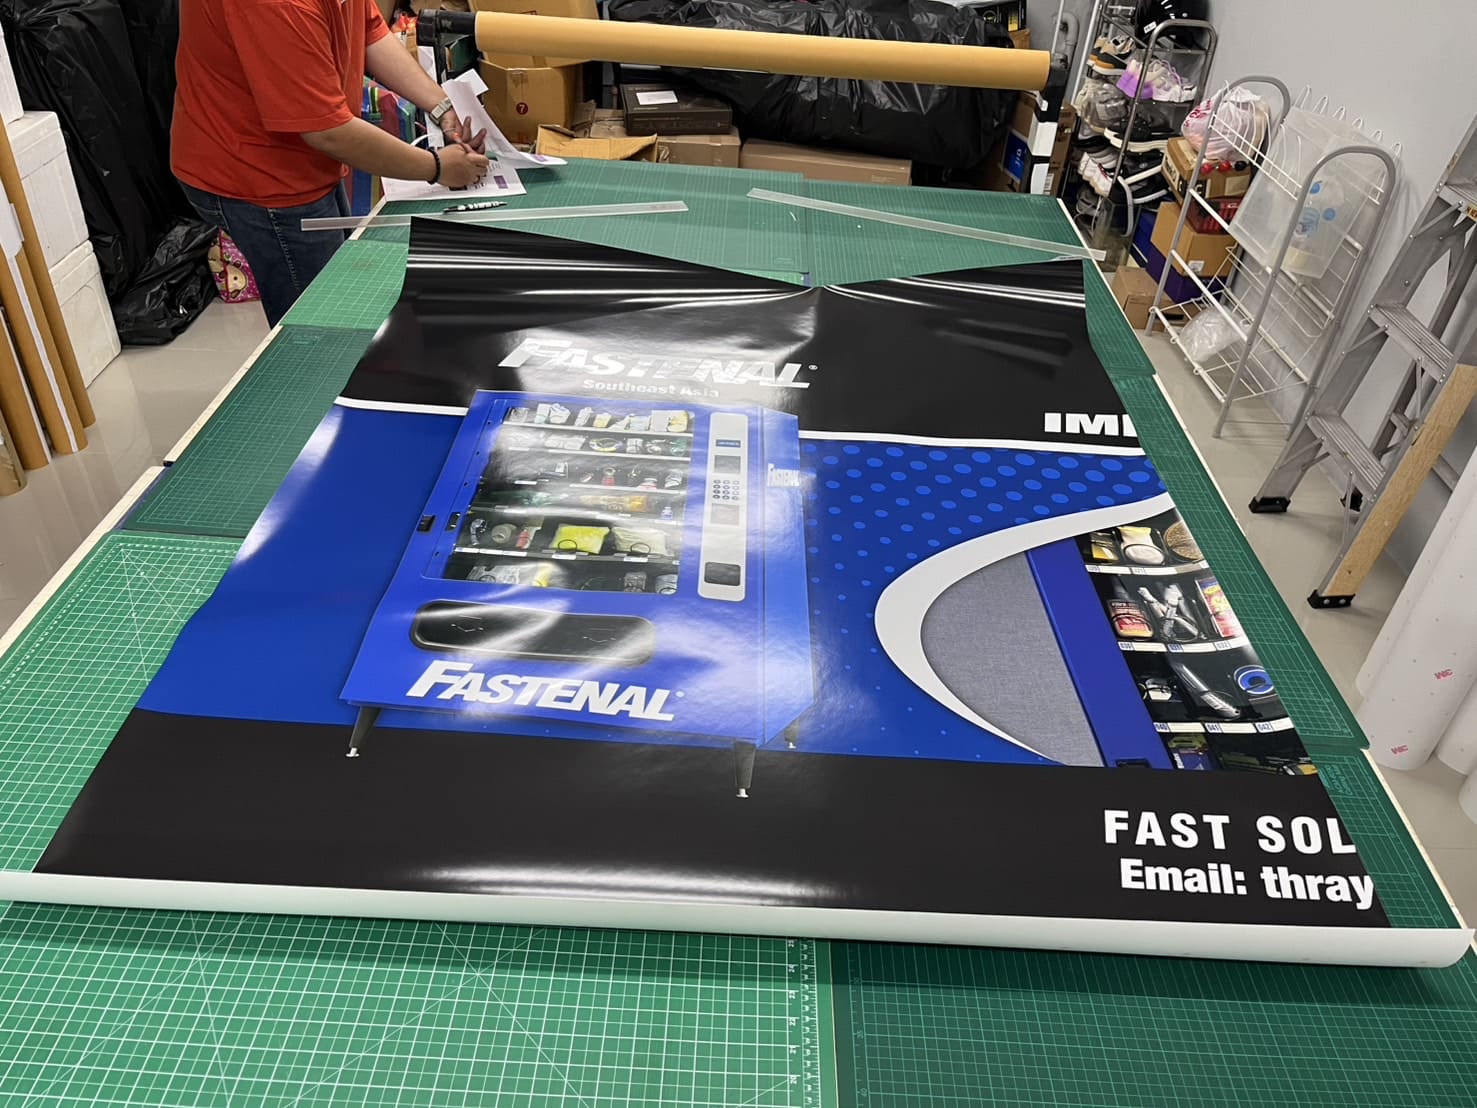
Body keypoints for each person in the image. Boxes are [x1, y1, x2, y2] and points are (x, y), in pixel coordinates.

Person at [172, 0, 491, 326]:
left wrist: (442, 107)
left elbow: (368, 31)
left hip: (305, 160)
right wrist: (436, 167)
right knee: (320, 324)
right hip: (259, 174)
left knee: (342, 290)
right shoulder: (276, 6)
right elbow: (327, 131)